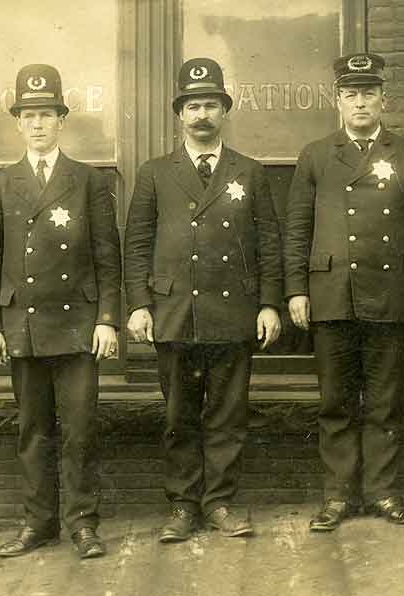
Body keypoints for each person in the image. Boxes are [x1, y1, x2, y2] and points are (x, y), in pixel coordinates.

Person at [124, 57, 283, 542]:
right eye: (193, 106)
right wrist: (138, 305)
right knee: (179, 417)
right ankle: (182, 506)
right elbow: (136, 242)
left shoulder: (250, 172)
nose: (201, 115)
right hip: (173, 314)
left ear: (224, 111)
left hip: (233, 312)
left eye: (210, 105)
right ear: (180, 114)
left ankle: (220, 503)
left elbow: (269, 243)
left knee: (228, 416)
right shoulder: (155, 173)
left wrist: (270, 303)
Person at [285, 53, 404, 531]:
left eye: (368, 93)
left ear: (383, 100)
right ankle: (337, 495)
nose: (360, 102)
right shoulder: (315, 155)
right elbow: (297, 229)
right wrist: (296, 290)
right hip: (331, 293)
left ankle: (381, 492)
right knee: (334, 401)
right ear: (338, 101)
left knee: (383, 401)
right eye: (350, 94)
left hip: (389, 293)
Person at [0, 64, 121, 559]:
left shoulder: (87, 181)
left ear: (62, 119)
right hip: (25, 327)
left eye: (47, 114)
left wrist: (106, 318)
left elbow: (108, 256)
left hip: (78, 325)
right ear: (18, 123)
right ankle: (38, 523)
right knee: (33, 430)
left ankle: (83, 523)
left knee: (80, 429)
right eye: (29, 115)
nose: (38, 124)